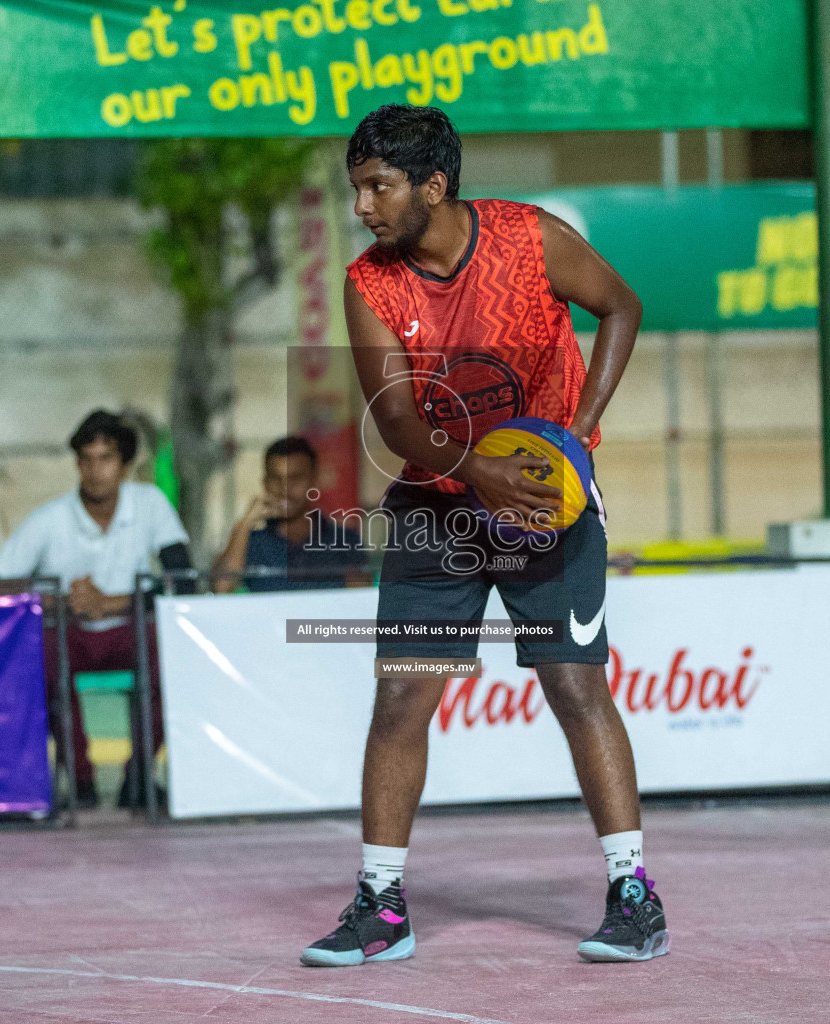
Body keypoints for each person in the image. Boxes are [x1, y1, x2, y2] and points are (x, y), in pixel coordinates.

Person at [300, 106, 664, 968]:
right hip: (438, 508)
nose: (363, 206)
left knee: (576, 689)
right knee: (401, 701)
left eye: (379, 187)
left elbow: (621, 306)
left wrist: (575, 435)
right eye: (357, 187)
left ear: (434, 187)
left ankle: (634, 895)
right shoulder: (371, 285)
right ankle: (381, 906)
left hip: (547, 505)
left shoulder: (531, 239)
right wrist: (476, 471)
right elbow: (393, 420)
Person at [0, 409, 189, 809]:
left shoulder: (149, 503)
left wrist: (112, 602)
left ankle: (140, 778)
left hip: (129, 630)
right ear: (77, 464)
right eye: (86, 460)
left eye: (106, 459)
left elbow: (183, 578)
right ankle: (80, 782)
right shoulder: (51, 518)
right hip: (69, 633)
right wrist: (58, 603)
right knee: (39, 663)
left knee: (172, 659)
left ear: (126, 466)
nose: (95, 471)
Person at [212, 436, 369, 593]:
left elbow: (359, 603)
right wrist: (244, 524)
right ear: (265, 483)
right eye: (276, 479)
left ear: (314, 480)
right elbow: (221, 589)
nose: (285, 489)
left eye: (295, 478)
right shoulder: (252, 542)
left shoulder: (344, 540)